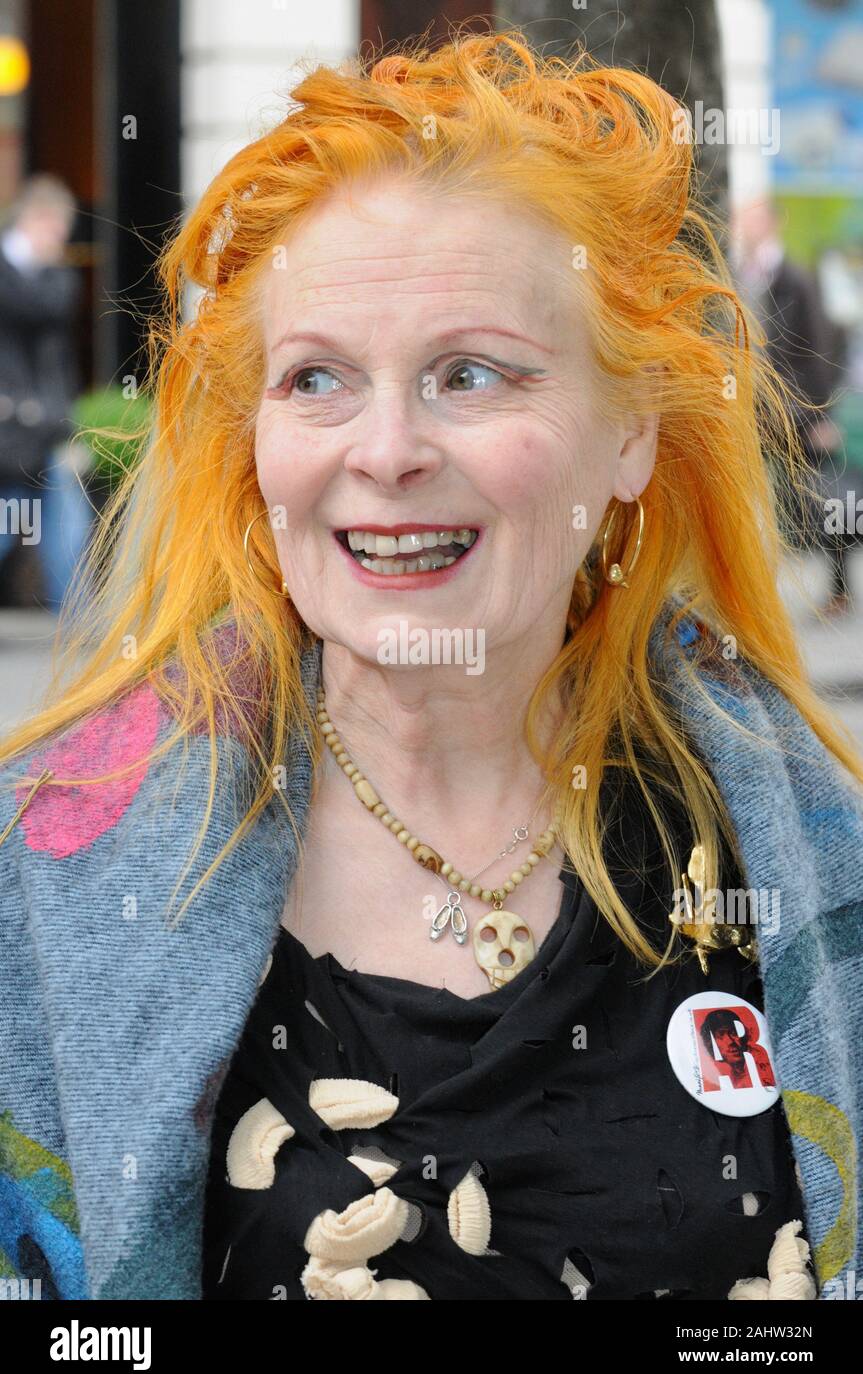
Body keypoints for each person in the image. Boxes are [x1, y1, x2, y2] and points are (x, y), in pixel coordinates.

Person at [0, 30, 862, 1303]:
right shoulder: (54, 875)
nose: (387, 449)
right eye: (316, 381)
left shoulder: (804, 838)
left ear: (628, 431)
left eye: (469, 374)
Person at [733, 197, 853, 618]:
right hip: (752, 411)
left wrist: (821, 414)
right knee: (746, 499)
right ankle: (750, 596)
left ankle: (839, 588)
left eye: (753, 216)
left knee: (818, 496)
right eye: (741, 216)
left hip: (797, 411)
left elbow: (819, 349)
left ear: (772, 222)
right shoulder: (737, 276)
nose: (746, 224)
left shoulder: (794, 278)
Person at [0, 173, 87, 611]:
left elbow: (55, 336)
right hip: (8, 430)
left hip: (47, 429)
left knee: (67, 527)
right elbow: (26, 306)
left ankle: (81, 630)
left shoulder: (54, 279)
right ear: (34, 219)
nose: (60, 241)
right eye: (56, 229)